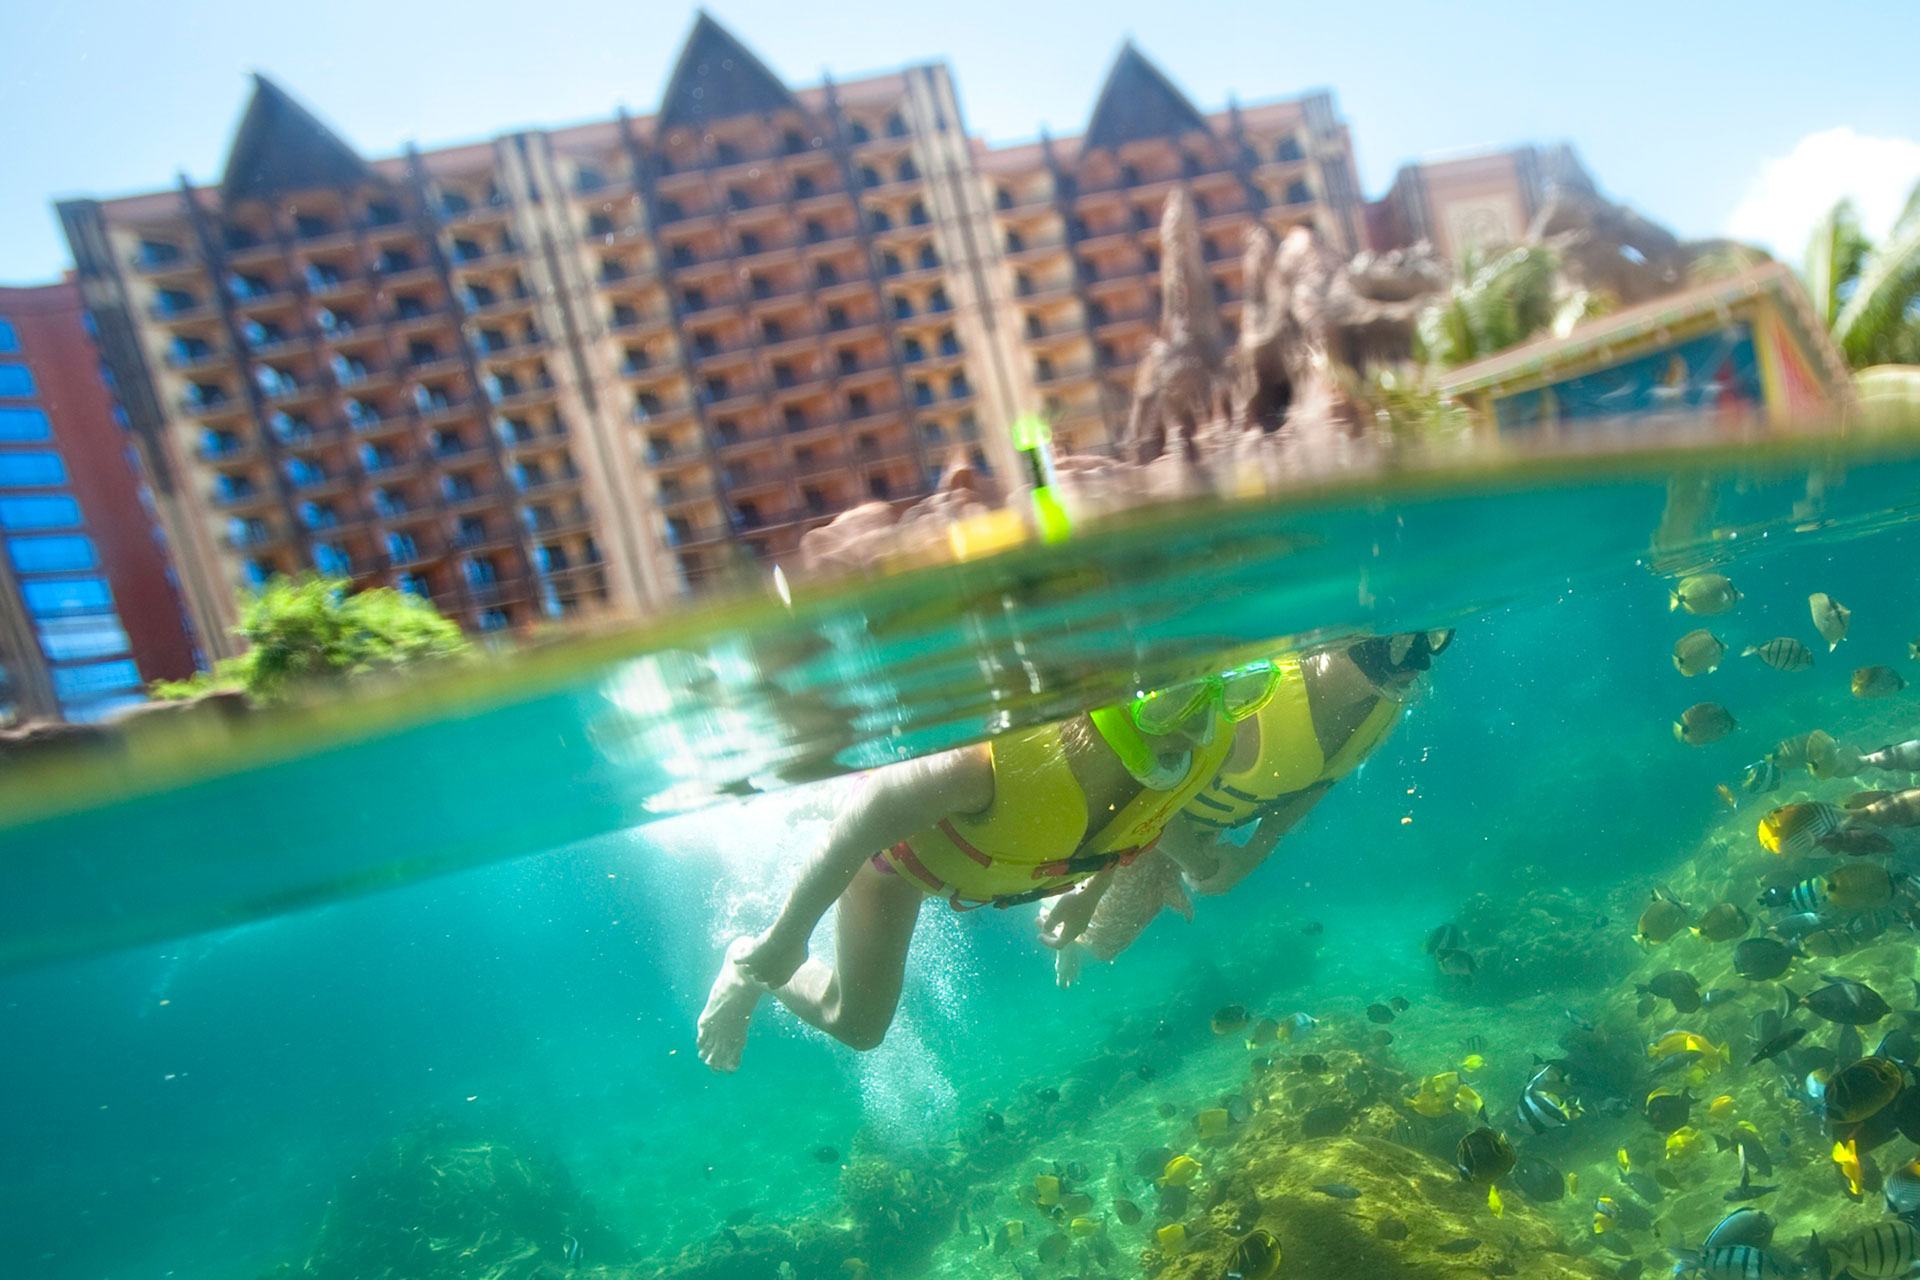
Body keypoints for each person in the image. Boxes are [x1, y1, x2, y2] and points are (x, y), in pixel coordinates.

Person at [695, 661, 1290, 1071]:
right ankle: (746, 964)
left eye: (1235, 691)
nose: (1198, 724)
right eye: (1174, 696)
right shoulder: (987, 760)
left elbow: (1139, 824)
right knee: (858, 1026)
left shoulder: (1203, 751)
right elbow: (859, 829)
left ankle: (811, 803)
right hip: (899, 864)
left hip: (981, 853)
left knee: (875, 800)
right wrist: (786, 938)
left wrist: (1087, 896)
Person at [1040, 631, 1450, 983]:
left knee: (1128, 926)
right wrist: (1192, 867)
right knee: (1105, 938)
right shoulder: (1253, 698)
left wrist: (1252, 854)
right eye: (1398, 643)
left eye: (1435, 638)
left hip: (1208, 822)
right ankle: (1064, 927)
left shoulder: (1388, 700)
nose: (1420, 660)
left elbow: (1324, 778)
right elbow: (1140, 797)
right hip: (1147, 824)